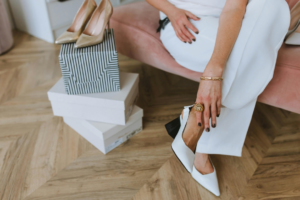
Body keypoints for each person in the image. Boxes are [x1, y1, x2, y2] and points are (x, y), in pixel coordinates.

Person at [146, 0, 291, 196]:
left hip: (230, 20)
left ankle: (197, 123)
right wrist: (171, 10)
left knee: (274, 5)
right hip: (185, 22)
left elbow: (234, 7)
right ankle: (202, 143)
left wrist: (215, 69)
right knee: (252, 52)